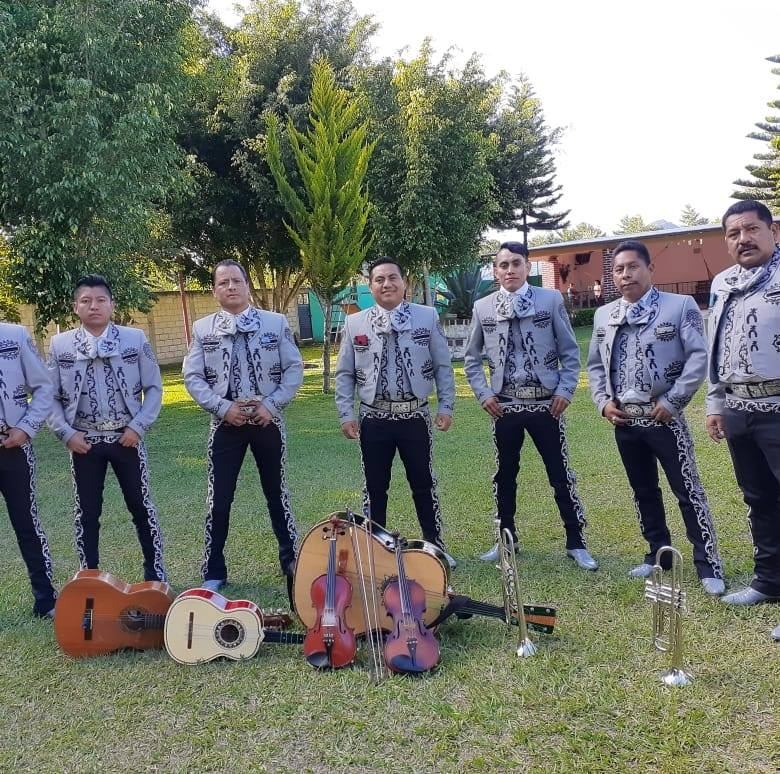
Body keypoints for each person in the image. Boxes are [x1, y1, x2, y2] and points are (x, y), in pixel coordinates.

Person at [587, 240, 724, 593]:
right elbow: (596, 366)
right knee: (643, 491)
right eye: (619, 269)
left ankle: (708, 564)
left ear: (650, 269)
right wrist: (603, 402)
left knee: (687, 490)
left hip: (665, 419)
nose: (626, 274)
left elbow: (698, 357)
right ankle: (657, 555)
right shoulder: (604, 315)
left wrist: (674, 401)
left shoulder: (679, 306)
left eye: (633, 266)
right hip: (625, 421)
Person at [464, 241, 598, 570]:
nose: (510, 270)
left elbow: (570, 351)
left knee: (559, 473)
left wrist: (565, 390)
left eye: (516, 263)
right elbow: (471, 359)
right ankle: (506, 539)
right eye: (503, 265)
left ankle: (576, 542)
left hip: (545, 404)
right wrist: (484, 394)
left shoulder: (550, 300)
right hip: (505, 404)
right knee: (505, 475)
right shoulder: (483, 307)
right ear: (495, 271)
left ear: (527, 266)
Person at [183, 259, 302, 591]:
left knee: (276, 492)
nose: (231, 287)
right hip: (225, 424)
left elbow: (294, 369)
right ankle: (214, 569)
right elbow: (192, 377)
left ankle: (290, 558)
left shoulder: (275, 323)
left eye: (236, 281)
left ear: (248, 286)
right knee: (219, 497)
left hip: (267, 420)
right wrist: (222, 408)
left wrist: (271, 405)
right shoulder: (203, 329)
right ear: (214, 291)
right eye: (223, 283)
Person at [334, 257, 456, 567]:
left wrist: (445, 406)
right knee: (375, 487)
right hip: (374, 418)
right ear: (370, 286)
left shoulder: (426, 317)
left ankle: (435, 548)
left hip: (415, 416)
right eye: (379, 279)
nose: (386, 284)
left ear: (404, 283)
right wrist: (346, 413)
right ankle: (373, 551)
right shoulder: (355, 323)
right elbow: (344, 373)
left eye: (392, 278)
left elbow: (443, 366)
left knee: (423, 484)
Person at [48, 275, 167, 582]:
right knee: (87, 513)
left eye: (101, 300)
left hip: (127, 438)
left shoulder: (134, 339)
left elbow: (154, 388)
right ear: (75, 307)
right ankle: (89, 577)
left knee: (141, 506)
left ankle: (155, 573)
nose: (94, 306)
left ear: (112, 305)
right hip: (84, 442)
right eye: (86, 301)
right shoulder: (60, 344)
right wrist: (66, 434)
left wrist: (138, 427)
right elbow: (49, 396)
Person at [705, 200, 780, 638]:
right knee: (759, 499)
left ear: (773, 232)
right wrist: (715, 403)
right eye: (733, 233)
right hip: (739, 408)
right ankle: (769, 582)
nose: (743, 239)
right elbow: (716, 345)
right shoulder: (722, 283)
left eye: (751, 229)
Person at [0, 322, 57, 617]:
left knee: (26, 522)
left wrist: (26, 428)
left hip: (12, 446)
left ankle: (45, 599)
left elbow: (44, 386)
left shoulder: (14, 336)